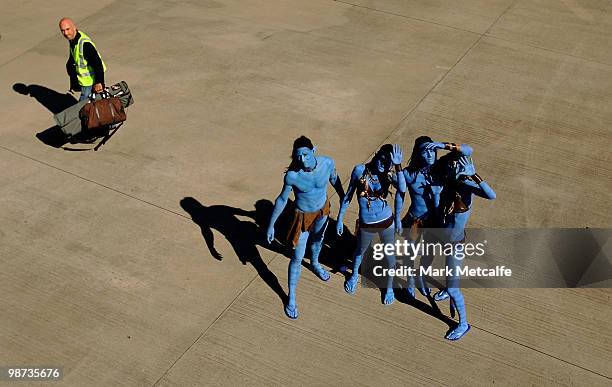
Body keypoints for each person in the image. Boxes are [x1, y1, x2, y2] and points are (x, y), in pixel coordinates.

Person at [267, 136, 345, 319]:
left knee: (318, 241)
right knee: (296, 257)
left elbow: (334, 178)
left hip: (322, 210)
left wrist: (342, 196)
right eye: (298, 156)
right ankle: (291, 297)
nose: (302, 159)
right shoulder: (292, 176)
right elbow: (282, 199)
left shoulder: (327, 162)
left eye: (305, 154)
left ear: (313, 150)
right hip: (302, 217)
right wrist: (271, 225)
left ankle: (315, 263)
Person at [432, 153, 496, 340]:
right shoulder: (447, 183)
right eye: (449, 167)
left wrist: (475, 175)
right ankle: (446, 289)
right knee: (446, 273)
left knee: (454, 288)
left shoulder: (467, 186)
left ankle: (463, 324)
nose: (451, 169)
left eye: (454, 166)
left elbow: (491, 195)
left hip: (455, 245)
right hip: (444, 238)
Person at [401, 137, 473, 298]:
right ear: (418, 153)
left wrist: (443, 145)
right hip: (415, 220)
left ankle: (420, 278)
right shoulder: (409, 173)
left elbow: (469, 151)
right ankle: (410, 283)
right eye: (425, 151)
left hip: (435, 220)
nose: (430, 155)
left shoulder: (440, 167)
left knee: (428, 253)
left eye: (432, 150)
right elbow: (399, 195)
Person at [336, 144, 406, 304]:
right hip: (367, 223)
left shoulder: (389, 174)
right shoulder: (360, 170)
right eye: (382, 159)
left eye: (388, 162)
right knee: (360, 251)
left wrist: (398, 165)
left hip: (386, 220)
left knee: (390, 256)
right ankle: (354, 275)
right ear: (376, 155)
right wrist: (340, 218)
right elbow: (348, 196)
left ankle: (389, 287)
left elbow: (402, 188)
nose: (384, 164)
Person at [59, 18, 106, 101]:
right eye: (62, 30)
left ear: (74, 27)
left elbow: (97, 63)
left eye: (67, 29)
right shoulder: (73, 39)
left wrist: (99, 82)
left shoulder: (85, 44)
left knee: (82, 107)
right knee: (92, 106)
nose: (65, 33)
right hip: (85, 82)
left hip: (90, 82)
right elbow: (75, 57)